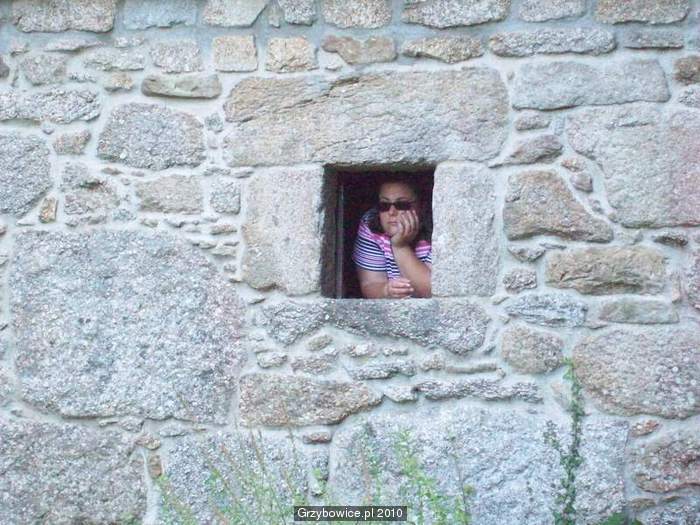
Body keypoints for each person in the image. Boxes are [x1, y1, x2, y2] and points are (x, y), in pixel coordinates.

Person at [352, 176, 432, 299]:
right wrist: (386, 291)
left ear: (421, 206)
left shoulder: (439, 230)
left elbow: (430, 291)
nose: (391, 212)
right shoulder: (371, 223)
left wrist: (400, 246)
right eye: (384, 205)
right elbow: (370, 283)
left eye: (402, 204)